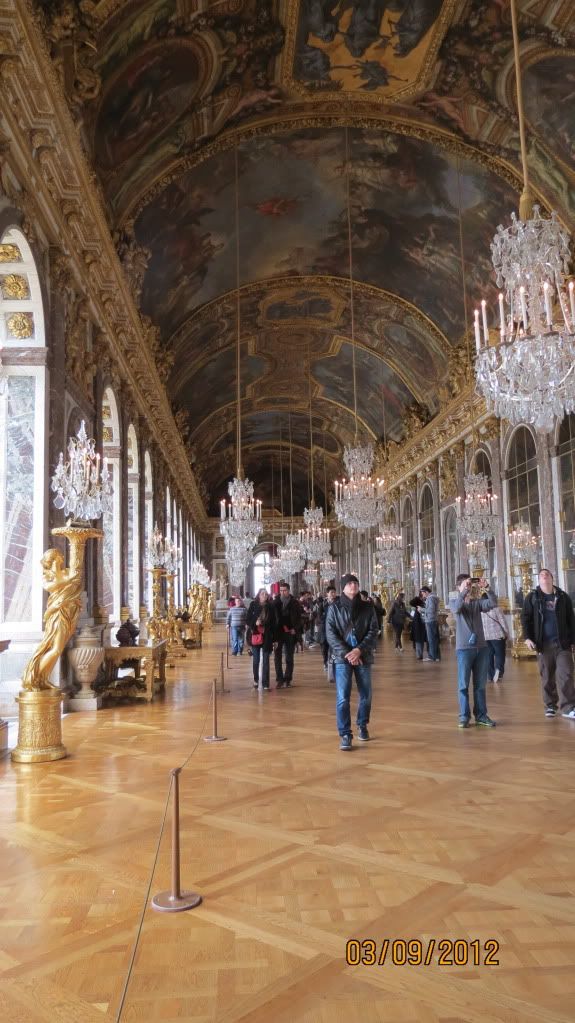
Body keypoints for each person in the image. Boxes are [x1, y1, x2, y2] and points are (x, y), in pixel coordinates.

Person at [326, 573, 379, 750]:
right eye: (349, 583)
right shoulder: (334, 608)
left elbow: (373, 630)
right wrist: (349, 652)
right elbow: (330, 634)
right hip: (343, 658)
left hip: (363, 655)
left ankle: (362, 724)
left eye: (355, 583)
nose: (353, 586)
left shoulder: (367, 607)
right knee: (343, 697)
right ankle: (345, 734)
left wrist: (359, 650)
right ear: (343, 587)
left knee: (366, 694)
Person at [521, 567, 575, 719]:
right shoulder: (532, 597)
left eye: (547, 574)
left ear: (552, 578)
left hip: (562, 643)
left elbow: (571, 619)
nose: (544, 576)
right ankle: (550, 705)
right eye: (541, 575)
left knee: (566, 673)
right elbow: (525, 619)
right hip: (543, 644)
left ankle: (568, 707)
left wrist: (573, 640)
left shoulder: (563, 596)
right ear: (539, 580)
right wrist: (527, 638)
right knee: (547, 675)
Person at [449, 574, 497, 728]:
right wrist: (463, 592)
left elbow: (492, 603)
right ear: (458, 587)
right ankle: (464, 716)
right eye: (465, 584)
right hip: (464, 649)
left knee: (480, 685)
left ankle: (481, 716)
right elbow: (456, 608)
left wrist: (487, 588)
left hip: (481, 648)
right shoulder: (455, 602)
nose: (469, 586)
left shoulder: (477, 603)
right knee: (463, 685)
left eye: (469, 584)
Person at [273, 581, 302, 687]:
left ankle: (288, 678)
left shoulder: (295, 603)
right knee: (277, 656)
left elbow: (299, 618)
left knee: (289, 657)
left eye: (284, 590)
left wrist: (296, 628)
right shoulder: (275, 602)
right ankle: (279, 678)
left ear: (289, 591)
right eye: (280, 590)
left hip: (290, 632)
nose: (282, 592)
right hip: (278, 632)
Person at [246, 588, 276, 690]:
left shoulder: (271, 607)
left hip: (267, 636)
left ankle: (265, 683)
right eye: (262, 594)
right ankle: (255, 679)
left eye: (266, 594)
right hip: (255, 635)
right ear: (259, 595)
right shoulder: (253, 605)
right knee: (256, 660)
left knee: (266, 660)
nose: (264, 595)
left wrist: (274, 638)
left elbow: (274, 622)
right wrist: (255, 623)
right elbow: (248, 619)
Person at [481, 604, 509, 682]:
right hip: (498, 636)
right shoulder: (496, 608)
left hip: (486, 637)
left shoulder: (480, 610)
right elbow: (503, 621)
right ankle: (499, 672)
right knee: (500, 654)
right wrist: (507, 633)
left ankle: (490, 675)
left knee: (489, 655)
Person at [420, 585, 440, 661]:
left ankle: (432, 657)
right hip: (433, 620)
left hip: (430, 620)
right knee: (434, 639)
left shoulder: (430, 598)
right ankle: (437, 656)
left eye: (423, 593)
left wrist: (421, 609)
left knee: (431, 639)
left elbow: (431, 610)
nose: (423, 595)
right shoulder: (434, 597)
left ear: (427, 592)